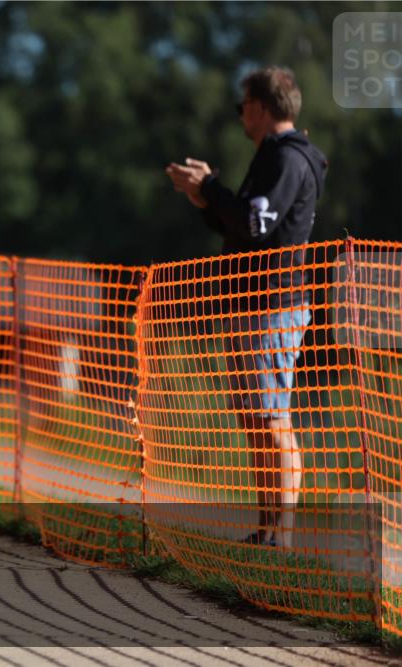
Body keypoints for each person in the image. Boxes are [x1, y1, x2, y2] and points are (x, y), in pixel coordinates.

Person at [166, 66, 328, 548]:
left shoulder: (288, 159)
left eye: (243, 106)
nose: (240, 116)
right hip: (253, 302)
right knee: (257, 416)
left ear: (260, 106)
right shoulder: (274, 157)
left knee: (271, 417)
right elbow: (243, 226)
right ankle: (268, 527)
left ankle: (283, 534)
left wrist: (210, 186)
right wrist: (204, 198)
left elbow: (254, 222)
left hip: (272, 304)